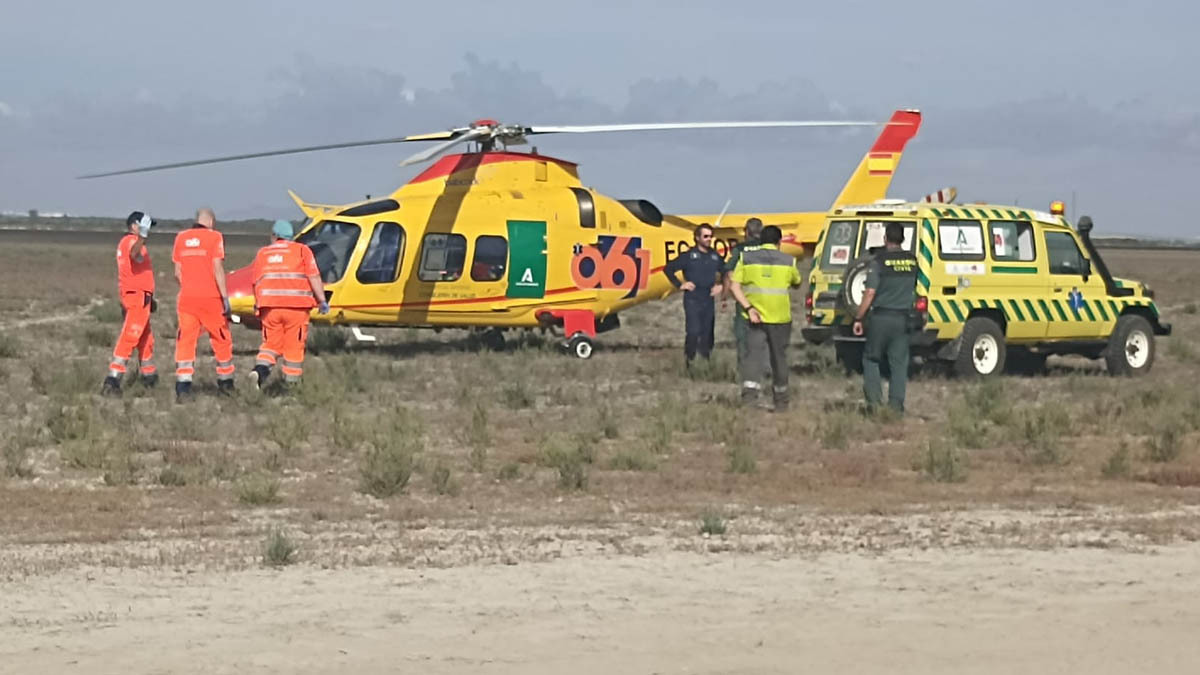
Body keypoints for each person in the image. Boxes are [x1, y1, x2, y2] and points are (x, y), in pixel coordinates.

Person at [728, 225, 802, 411]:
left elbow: (734, 287)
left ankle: (750, 400)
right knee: (779, 359)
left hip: (754, 317)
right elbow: (797, 282)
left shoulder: (746, 259)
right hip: (780, 318)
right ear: (779, 242)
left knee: (752, 357)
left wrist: (749, 307)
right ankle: (781, 401)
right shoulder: (788, 261)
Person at [248, 219, 329, 388]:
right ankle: (290, 388)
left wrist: (258, 304)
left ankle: (260, 372)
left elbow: (256, 282)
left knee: (270, 346)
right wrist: (322, 300)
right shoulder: (302, 251)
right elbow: (313, 276)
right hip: (296, 309)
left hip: (269, 309)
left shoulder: (263, 253)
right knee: (293, 348)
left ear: (274, 236)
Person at [852, 221, 918, 414]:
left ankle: (874, 405)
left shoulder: (878, 262)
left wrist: (858, 317)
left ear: (885, 238)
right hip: (903, 318)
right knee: (898, 364)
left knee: (872, 359)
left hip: (881, 317)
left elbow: (870, 292)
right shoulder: (912, 261)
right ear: (903, 239)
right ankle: (896, 408)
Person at [172, 207, 234, 402]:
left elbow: (177, 272)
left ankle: (183, 386)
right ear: (211, 222)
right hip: (211, 299)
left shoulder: (181, 238)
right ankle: (226, 384)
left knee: (186, 342)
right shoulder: (215, 238)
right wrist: (225, 297)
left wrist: (189, 287)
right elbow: (217, 268)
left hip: (187, 299)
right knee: (221, 339)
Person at [101, 211, 158, 396]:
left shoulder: (130, 242)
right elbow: (134, 254)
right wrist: (142, 235)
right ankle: (112, 380)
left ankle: (149, 378)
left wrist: (150, 299)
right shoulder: (131, 242)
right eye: (143, 226)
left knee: (145, 340)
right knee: (130, 337)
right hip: (137, 298)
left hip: (141, 298)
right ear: (135, 225)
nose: (148, 231)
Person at [664, 223, 725, 364]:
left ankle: (706, 362)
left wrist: (721, 286)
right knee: (693, 331)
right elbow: (669, 268)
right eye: (705, 236)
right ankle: (689, 360)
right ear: (697, 238)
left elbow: (726, 271)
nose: (709, 239)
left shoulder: (715, 256)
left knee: (707, 333)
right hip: (693, 298)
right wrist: (680, 285)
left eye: (711, 236)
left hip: (708, 298)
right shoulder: (688, 256)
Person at [721, 217, 764, 375]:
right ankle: (762, 369)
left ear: (746, 232)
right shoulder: (768, 249)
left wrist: (724, 296)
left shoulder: (739, 250)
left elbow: (730, 274)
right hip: (767, 299)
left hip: (745, 299)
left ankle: (744, 371)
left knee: (743, 336)